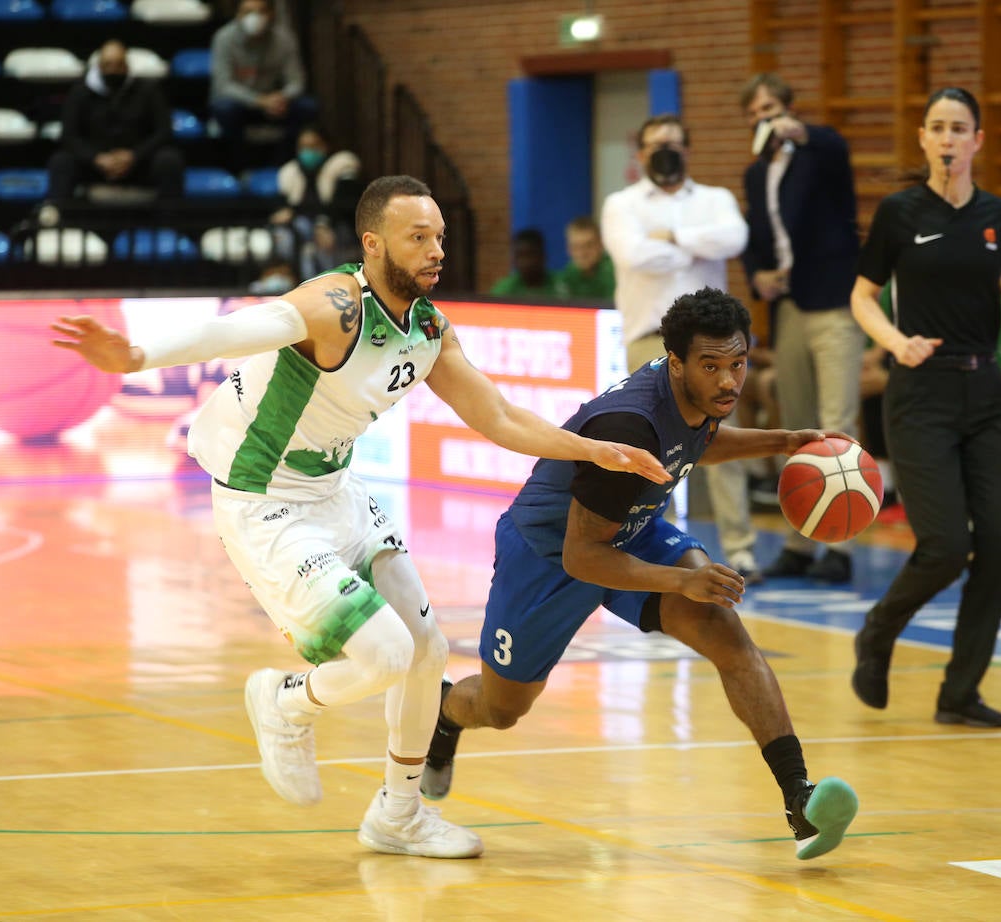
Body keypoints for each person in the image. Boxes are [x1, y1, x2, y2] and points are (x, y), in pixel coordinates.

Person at [50, 174, 671, 860]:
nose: (436, 250)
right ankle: (284, 702)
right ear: (373, 245)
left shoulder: (429, 327)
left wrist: (596, 450)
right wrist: (136, 358)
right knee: (385, 653)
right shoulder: (335, 303)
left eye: (439, 236)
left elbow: (496, 416)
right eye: (418, 238)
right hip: (265, 501)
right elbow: (239, 328)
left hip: (337, 488)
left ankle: (398, 817)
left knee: (428, 650)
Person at [418, 287, 860, 862]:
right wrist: (680, 581)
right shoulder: (631, 426)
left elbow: (696, 444)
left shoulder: (693, 392)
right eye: (712, 367)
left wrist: (783, 441)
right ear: (675, 364)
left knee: (725, 629)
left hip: (629, 526)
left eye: (738, 364)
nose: (729, 382)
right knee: (501, 711)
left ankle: (798, 798)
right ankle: (445, 714)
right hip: (549, 554)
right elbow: (584, 558)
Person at [847, 87, 1001, 729]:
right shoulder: (898, 212)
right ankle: (878, 630)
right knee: (946, 546)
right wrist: (894, 342)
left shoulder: (1000, 216)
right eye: (938, 127)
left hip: (986, 395)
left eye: (960, 129)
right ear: (923, 138)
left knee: (1000, 549)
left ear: (978, 141)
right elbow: (863, 297)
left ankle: (959, 693)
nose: (948, 139)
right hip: (920, 395)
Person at [600, 113, 762, 583]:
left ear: (688, 149)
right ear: (640, 153)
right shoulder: (622, 204)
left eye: (672, 143)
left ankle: (741, 550)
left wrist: (670, 238)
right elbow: (634, 256)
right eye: (654, 145)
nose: (664, 151)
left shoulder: (716, 199)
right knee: (649, 444)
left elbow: (735, 238)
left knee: (720, 438)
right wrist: (697, 247)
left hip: (714, 344)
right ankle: (638, 542)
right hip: (650, 338)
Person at [739, 73, 863, 583]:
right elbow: (756, 240)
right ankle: (799, 541)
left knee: (837, 425)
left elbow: (837, 146)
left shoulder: (819, 154)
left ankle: (841, 545)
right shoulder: (755, 173)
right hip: (789, 306)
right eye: (754, 113)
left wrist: (800, 133)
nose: (763, 119)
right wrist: (757, 277)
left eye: (770, 108)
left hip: (833, 302)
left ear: (788, 110)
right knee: (797, 426)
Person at [47, 40, 185, 203]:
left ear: (127, 66)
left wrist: (133, 156)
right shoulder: (80, 93)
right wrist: (97, 158)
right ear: (98, 67)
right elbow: (69, 136)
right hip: (94, 166)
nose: (113, 70)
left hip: (138, 165)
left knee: (169, 159)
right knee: (61, 161)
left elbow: (163, 132)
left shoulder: (149, 90)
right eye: (108, 65)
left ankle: (170, 223)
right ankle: (60, 223)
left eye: (119, 65)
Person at [209, 0, 319, 163]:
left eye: (261, 11)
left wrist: (282, 97)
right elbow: (223, 85)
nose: (254, 17)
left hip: (275, 105)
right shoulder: (223, 38)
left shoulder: (284, 39)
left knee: (308, 106)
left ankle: (284, 163)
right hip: (241, 105)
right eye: (247, 12)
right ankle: (239, 166)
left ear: (271, 14)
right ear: (238, 15)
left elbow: (297, 81)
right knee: (224, 108)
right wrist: (258, 101)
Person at [270, 125, 362, 278]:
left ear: (326, 146)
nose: (308, 152)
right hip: (304, 231)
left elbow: (345, 204)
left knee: (321, 242)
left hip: (338, 227)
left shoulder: (342, 165)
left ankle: (333, 282)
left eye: (314, 146)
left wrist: (323, 224)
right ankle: (299, 284)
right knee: (293, 235)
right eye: (304, 147)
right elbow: (284, 207)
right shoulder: (290, 172)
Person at [488, 227, 562, 298]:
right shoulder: (504, 291)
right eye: (520, 256)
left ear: (543, 256)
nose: (525, 262)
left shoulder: (560, 286)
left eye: (530, 255)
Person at [556, 215, 615, 300]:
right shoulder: (570, 271)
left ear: (601, 245)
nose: (581, 253)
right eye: (575, 247)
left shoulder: (612, 271)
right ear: (568, 249)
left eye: (588, 246)